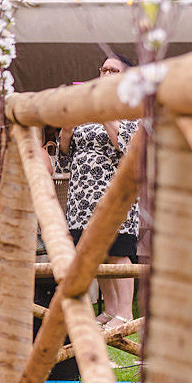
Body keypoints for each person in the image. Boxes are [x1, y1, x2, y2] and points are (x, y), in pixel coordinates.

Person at [57, 57, 138, 328]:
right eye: (103, 69)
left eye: (113, 70)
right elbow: (65, 157)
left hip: (114, 194)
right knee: (96, 254)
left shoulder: (132, 108)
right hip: (82, 197)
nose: (105, 74)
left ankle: (125, 312)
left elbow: (126, 146)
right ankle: (111, 309)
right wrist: (66, 131)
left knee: (117, 250)